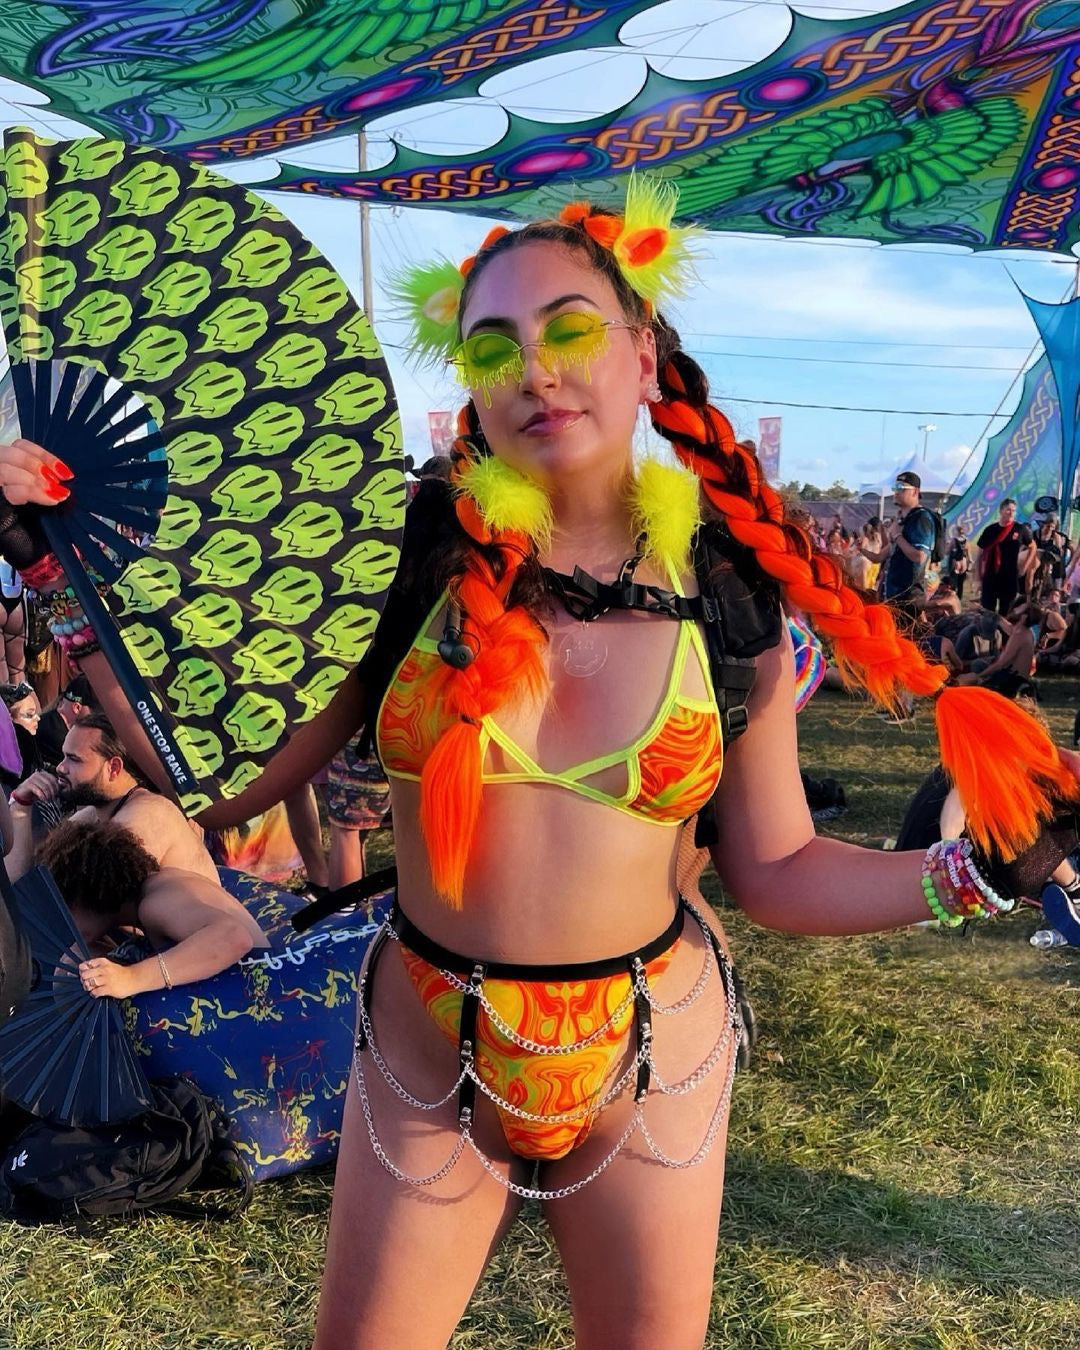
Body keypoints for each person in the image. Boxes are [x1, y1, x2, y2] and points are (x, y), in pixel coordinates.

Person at [4, 184, 1080, 1348]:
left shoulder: (725, 592)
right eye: (493, 343)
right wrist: (61, 576)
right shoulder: (406, 558)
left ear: (645, 355)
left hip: (649, 1055)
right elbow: (231, 787)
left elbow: (772, 870)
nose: (537, 369)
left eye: (569, 328)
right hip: (426, 1045)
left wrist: (968, 875)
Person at [35, 818, 267, 999]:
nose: (63, 921)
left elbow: (233, 937)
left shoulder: (155, 904)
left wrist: (131, 978)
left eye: (65, 909)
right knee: (73, 964)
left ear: (88, 898)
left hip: (263, 994)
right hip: (247, 986)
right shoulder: (153, 889)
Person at [5, 711, 219, 885]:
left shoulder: (149, 815)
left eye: (74, 759)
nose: (61, 767)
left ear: (114, 768)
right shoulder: (91, 816)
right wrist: (21, 806)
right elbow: (19, 881)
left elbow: (86, 908)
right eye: (63, 756)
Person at [859, 471, 935, 614]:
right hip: (892, 597)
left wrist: (897, 535)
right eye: (895, 487)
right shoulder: (901, 521)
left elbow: (919, 556)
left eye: (901, 487)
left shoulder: (921, 517)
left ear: (915, 492)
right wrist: (861, 549)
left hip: (908, 598)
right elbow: (880, 557)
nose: (896, 492)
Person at [976, 499, 1035, 614]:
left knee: (1007, 611)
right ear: (1001, 511)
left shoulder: (1020, 529)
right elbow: (980, 553)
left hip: (1009, 576)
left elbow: (1033, 546)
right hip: (991, 575)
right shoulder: (990, 530)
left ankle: (1003, 632)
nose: (1011, 513)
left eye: (1013, 510)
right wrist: (978, 576)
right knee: (987, 611)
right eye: (1008, 510)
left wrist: (1025, 567)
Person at [944, 524, 970, 599]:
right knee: (961, 583)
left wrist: (946, 545)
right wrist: (970, 561)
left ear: (956, 531)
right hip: (964, 562)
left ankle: (953, 599)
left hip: (955, 562)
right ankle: (959, 598)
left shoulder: (954, 540)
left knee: (953, 582)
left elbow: (947, 552)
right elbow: (968, 552)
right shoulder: (966, 540)